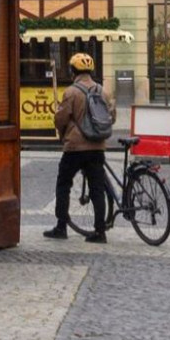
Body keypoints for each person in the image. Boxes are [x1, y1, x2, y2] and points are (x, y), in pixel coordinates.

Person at [43, 51, 114, 244]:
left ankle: (61, 227)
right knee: (97, 188)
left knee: (63, 183)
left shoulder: (71, 92)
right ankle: (100, 232)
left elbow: (61, 118)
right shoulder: (102, 91)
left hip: (75, 147)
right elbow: (112, 116)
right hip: (97, 147)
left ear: (72, 70)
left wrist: (63, 135)